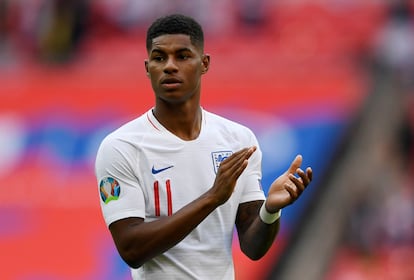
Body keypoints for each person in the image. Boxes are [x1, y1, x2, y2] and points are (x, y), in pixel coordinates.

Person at [95, 13, 313, 280]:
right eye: (159, 57)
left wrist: (270, 210)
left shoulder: (238, 140)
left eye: (183, 56)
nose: (169, 66)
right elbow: (131, 249)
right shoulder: (121, 146)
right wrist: (212, 198)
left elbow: (253, 247)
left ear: (204, 63)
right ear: (147, 66)